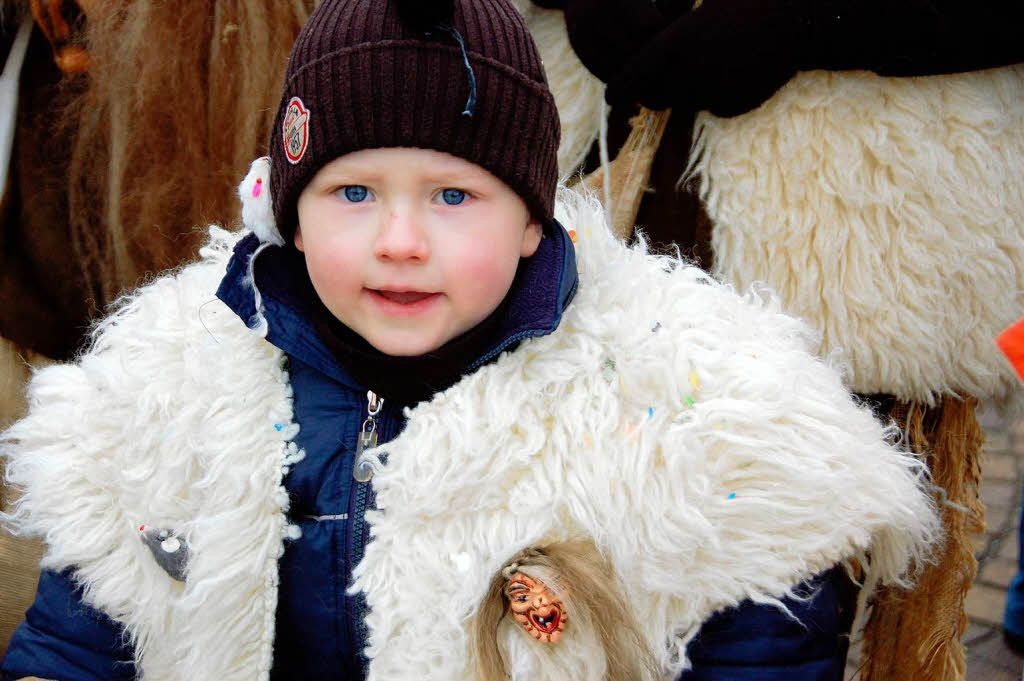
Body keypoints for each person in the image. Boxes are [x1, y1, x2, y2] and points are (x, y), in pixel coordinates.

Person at [1, 1, 939, 680]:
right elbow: (84, 634)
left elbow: (759, 637)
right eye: (352, 193)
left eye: (454, 197)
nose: (400, 242)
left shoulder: (683, 409)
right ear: (284, 209)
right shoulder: (168, 389)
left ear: (535, 220)